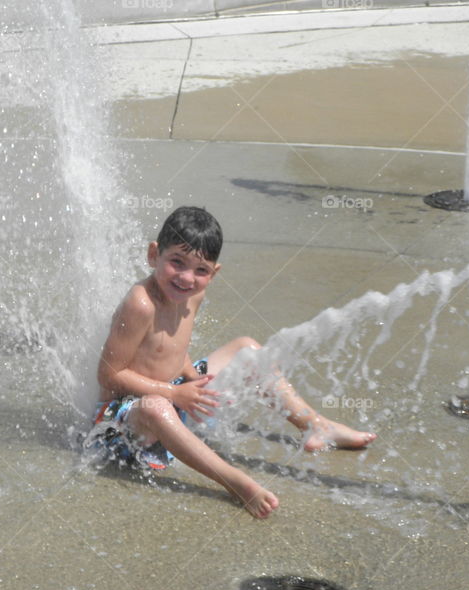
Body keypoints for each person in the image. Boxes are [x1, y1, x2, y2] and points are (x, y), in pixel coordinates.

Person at [85, 206, 376, 519]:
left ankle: (316, 426)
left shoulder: (191, 295)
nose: (186, 278)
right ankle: (235, 481)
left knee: (247, 350)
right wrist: (173, 394)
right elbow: (109, 374)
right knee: (156, 406)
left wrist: (187, 376)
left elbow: (168, 346)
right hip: (122, 422)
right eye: (176, 263)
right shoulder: (140, 304)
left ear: (214, 272)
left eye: (201, 270)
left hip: (171, 394)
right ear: (154, 254)